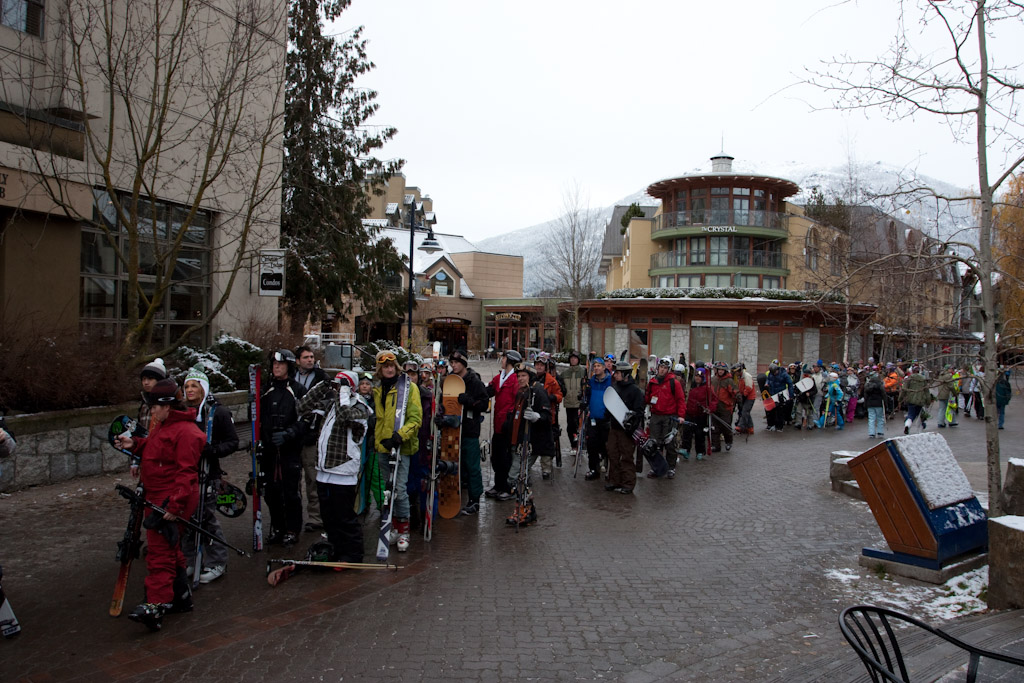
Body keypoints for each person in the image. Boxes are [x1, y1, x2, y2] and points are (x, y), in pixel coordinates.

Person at [116, 378, 204, 632]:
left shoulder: (186, 432)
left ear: (167, 406)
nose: (152, 411)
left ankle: (156, 604)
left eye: (154, 407)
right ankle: (181, 596)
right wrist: (136, 444)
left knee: (160, 552)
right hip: (157, 497)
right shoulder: (165, 425)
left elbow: (187, 473)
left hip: (170, 499)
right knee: (169, 546)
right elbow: (158, 450)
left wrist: (174, 506)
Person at [294, 371, 371, 563]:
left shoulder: (360, 407)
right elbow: (302, 407)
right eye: (336, 386)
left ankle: (353, 554)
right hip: (324, 471)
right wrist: (323, 386)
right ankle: (335, 549)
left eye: (341, 385)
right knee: (328, 517)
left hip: (343, 471)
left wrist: (344, 391)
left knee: (345, 517)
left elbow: (345, 416)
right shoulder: (331, 405)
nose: (337, 390)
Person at [181, 367, 239, 585]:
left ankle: (217, 561)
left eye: (194, 386)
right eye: (187, 386)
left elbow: (232, 442)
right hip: (186, 473)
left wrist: (213, 450)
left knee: (205, 519)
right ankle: (189, 559)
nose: (190, 390)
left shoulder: (218, 413)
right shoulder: (183, 413)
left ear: (203, 388)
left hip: (208, 473)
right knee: (186, 519)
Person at [372, 349, 422, 551]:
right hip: (383, 447)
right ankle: (392, 525)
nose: (389, 369)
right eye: (385, 366)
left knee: (399, 490)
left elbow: (415, 419)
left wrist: (400, 436)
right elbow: (379, 419)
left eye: (392, 365)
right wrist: (378, 440)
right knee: (388, 491)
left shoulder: (409, 388)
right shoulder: (378, 389)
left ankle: (404, 529)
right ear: (380, 369)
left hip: (401, 446)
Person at [260, 349, 308, 547]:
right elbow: (257, 418)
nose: (276, 367)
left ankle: (292, 529)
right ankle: (278, 527)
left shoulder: (298, 390)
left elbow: (307, 419)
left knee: (290, 492)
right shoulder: (265, 389)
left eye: (280, 364)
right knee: (271, 491)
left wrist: (290, 433)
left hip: (289, 450)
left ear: (289, 366)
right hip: (269, 449)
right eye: (274, 364)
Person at [505, 364, 551, 526]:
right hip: (518, 442)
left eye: (523, 375)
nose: (520, 378)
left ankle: (526, 509)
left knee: (515, 476)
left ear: (530, 377)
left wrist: (537, 416)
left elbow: (547, 415)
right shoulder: (522, 392)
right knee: (521, 477)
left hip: (531, 443)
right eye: (518, 376)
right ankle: (525, 509)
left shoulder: (537, 392)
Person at [445, 349, 489, 514]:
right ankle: (452, 497)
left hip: (469, 429)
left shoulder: (474, 381)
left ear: (463, 363)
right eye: (452, 362)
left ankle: (475, 499)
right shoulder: (450, 380)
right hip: (453, 429)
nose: (454, 365)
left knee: (472, 466)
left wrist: (469, 401)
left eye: (457, 362)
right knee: (453, 464)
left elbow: (484, 404)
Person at [294, 346, 329, 531]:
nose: (310, 360)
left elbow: (326, 400)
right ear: (297, 360)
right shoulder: (291, 377)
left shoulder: (322, 378)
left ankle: (315, 517)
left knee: (312, 478)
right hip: (293, 434)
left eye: (311, 357)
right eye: (306, 357)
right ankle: (293, 517)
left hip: (312, 434)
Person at [485, 349, 522, 501]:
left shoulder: (515, 379)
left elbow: (518, 402)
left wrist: (511, 419)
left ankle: (508, 488)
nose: (502, 360)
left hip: (508, 425)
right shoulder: (500, 377)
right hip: (498, 424)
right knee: (496, 457)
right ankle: (498, 485)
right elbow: (489, 390)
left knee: (506, 458)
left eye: (504, 358)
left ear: (510, 361)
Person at [644, 357, 686, 478]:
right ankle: (657, 467)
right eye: (661, 367)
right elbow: (647, 398)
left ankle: (671, 467)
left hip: (669, 417)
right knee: (654, 443)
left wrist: (681, 416)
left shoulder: (674, 383)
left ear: (669, 369)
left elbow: (681, 400)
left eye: (665, 368)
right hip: (655, 416)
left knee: (670, 443)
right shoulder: (652, 382)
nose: (662, 370)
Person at [606, 361, 644, 493]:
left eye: (618, 373)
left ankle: (628, 483)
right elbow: (610, 407)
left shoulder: (635, 391)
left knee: (626, 456)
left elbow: (639, 411)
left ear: (626, 374)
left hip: (626, 430)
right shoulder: (614, 388)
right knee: (612, 454)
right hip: (614, 427)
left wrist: (632, 424)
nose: (615, 375)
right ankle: (614, 480)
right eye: (615, 373)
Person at [582, 357, 612, 481]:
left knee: (606, 445)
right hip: (593, 417)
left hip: (606, 418)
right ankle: (593, 468)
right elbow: (587, 397)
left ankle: (607, 466)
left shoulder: (610, 381)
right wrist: (584, 402)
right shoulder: (591, 382)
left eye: (598, 366)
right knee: (591, 444)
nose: (596, 368)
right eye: (594, 366)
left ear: (604, 367)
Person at [533, 356, 563, 478]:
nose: (539, 367)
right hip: (533, 416)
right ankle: (528, 466)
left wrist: (552, 397)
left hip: (547, 416)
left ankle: (546, 469)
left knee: (546, 444)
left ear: (545, 367)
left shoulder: (551, 380)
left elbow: (560, 395)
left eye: (541, 365)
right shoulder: (531, 378)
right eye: (537, 364)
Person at [681, 367, 716, 460]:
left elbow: (714, 400)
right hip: (689, 413)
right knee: (687, 432)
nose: (697, 378)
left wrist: (710, 408)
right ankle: (686, 449)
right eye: (696, 376)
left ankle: (700, 451)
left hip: (700, 414)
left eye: (699, 376)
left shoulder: (707, 388)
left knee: (699, 434)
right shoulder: (690, 387)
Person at [562, 351, 587, 453]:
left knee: (578, 425)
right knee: (570, 426)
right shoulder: (565, 373)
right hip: (569, 403)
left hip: (579, 404)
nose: (573, 360)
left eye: (575, 358)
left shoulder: (583, 372)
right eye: (571, 358)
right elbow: (559, 385)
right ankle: (573, 445)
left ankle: (579, 444)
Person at [709, 361, 736, 452]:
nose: (720, 371)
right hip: (715, 407)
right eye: (719, 369)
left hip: (725, 408)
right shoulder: (713, 380)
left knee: (726, 426)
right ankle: (716, 446)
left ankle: (728, 442)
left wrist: (738, 399)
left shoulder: (729, 381)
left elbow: (734, 392)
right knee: (714, 428)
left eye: (722, 370)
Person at [137, 358, 168, 433]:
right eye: (144, 379)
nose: (146, 382)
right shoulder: (144, 404)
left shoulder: (167, 403)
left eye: (150, 379)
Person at [900, 365, 932, 434]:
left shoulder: (909, 379)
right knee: (920, 414)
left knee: (911, 415)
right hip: (920, 400)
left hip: (911, 399)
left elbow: (904, 389)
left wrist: (900, 398)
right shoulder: (923, 379)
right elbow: (926, 391)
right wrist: (928, 401)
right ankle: (920, 430)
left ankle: (907, 425)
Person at [765, 361, 793, 432]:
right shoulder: (771, 374)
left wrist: (791, 395)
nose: (774, 374)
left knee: (780, 411)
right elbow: (768, 379)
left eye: (775, 372)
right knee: (771, 410)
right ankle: (771, 424)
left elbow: (790, 384)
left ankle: (780, 426)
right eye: (773, 373)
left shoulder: (784, 374)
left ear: (777, 369)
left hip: (781, 394)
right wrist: (767, 383)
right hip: (772, 394)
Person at [732, 363, 756, 435]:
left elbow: (749, 387)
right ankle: (750, 428)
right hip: (744, 396)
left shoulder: (746, 376)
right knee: (746, 412)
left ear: (739, 371)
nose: (735, 373)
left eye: (736, 372)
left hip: (750, 397)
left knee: (745, 411)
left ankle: (740, 427)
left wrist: (743, 395)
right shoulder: (740, 377)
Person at [863, 366, 886, 438]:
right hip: (879, 403)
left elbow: (865, 395)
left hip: (870, 403)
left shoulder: (867, 385)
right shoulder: (880, 384)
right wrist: (886, 403)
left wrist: (865, 404)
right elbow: (884, 394)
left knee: (871, 418)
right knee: (880, 418)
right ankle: (880, 432)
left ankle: (871, 433)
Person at [793, 365, 818, 431]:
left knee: (809, 413)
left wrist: (810, 393)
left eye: (807, 375)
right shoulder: (801, 381)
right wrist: (797, 392)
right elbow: (797, 388)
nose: (805, 376)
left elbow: (815, 390)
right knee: (798, 411)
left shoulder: (812, 382)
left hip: (808, 400)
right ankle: (798, 423)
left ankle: (810, 424)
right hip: (801, 399)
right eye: (804, 375)